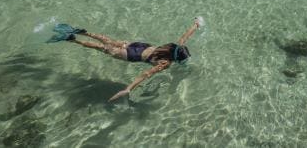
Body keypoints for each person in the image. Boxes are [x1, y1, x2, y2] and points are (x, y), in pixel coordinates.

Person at [48, 18, 202, 101]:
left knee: (108, 40)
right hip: (131, 56)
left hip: (136, 45)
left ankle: (83, 32)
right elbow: (146, 75)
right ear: (177, 60)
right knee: (101, 48)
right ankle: (73, 39)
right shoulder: (165, 63)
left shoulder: (174, 46)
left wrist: (196, 24)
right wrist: (128, 88)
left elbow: (185, 36)